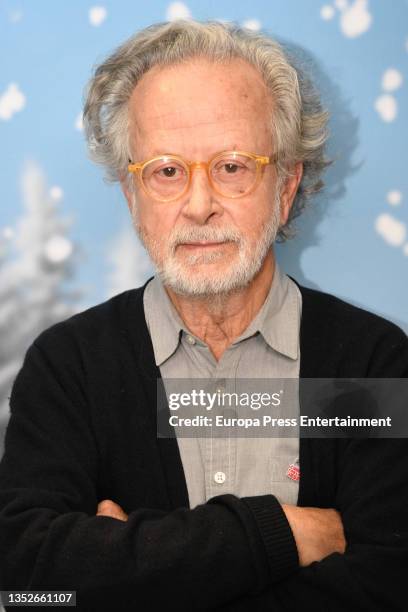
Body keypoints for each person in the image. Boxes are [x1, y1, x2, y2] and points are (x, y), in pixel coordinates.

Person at [0, 20, 407, 612]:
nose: (198, 205)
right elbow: (27, 589)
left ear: (286, 185)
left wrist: (129, 574)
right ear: (131, 196)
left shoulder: (371, 366)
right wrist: (279, 536)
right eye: (166, 171)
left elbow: (390, 587)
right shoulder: (70, 369)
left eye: (232, 166)